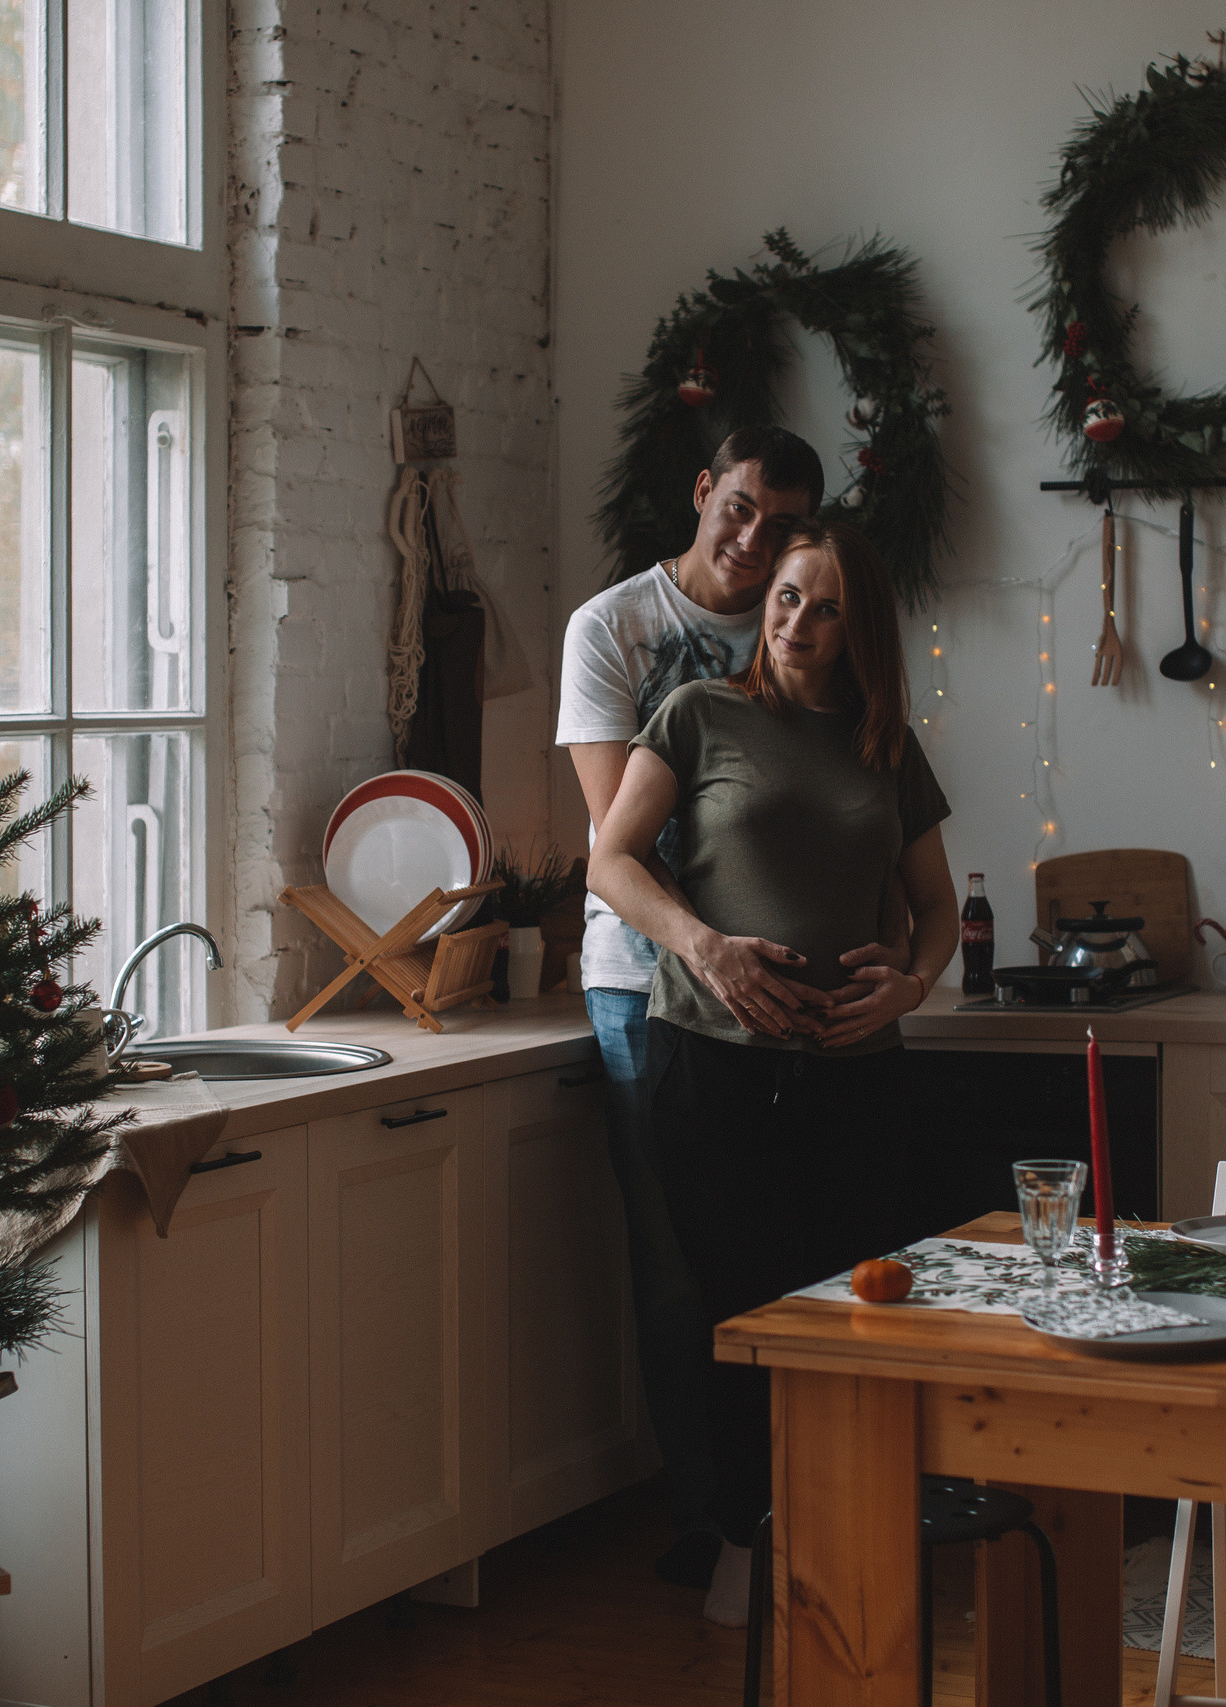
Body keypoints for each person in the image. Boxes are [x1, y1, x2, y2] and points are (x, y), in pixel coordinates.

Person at [587, 518, 959, 1625]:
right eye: (787, 597)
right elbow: (609, 859)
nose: (796, 622)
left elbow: (936, 906)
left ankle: (841, 1536)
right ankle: (750, 1540)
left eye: (825, 605)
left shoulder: (885, 740)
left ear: (861, 627)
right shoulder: (699, 714)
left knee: (848, 1316)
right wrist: (702, 946)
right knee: (736, 1313)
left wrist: (915, 982)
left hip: (854, 1074)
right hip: (714, 1065)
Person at [555, 425, 824, 1593]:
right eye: (740, 509)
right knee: (674, 1262)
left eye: (780, 526)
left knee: (785, 1252)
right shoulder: (611, 629)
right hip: (644, 980)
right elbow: (618, 838)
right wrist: (709, 949)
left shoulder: (806, 623)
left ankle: (792, 1508)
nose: (753, 543)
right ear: (703, 488)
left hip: (783, 981)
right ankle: (705, 1517)